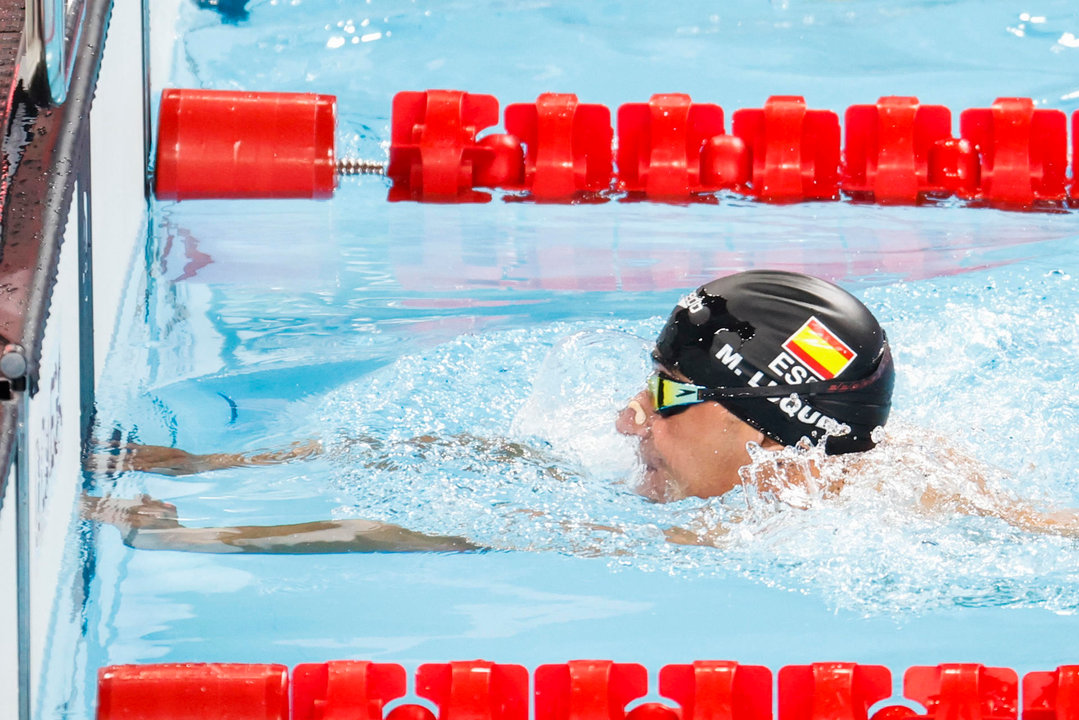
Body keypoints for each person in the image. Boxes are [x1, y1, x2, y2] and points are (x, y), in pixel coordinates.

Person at [82, 270, 1079, 553]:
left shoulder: (819, 523)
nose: (624, 421)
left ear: (763, 436)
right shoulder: (689, 469)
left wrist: (221, 543)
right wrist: (216, 475)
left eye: (664, 398)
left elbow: (437, 534)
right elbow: (462, 456)